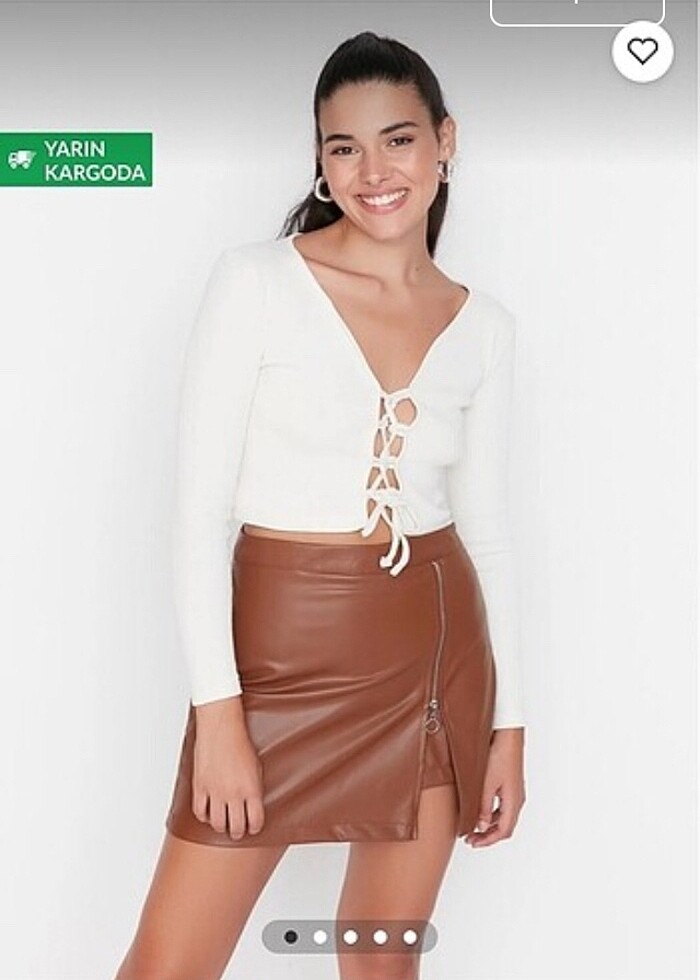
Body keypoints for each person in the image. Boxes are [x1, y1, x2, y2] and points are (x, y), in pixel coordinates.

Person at [115, 29, 526, 980]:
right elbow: (197, 516)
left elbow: (491, 537)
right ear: (321, 160)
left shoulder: (486, 328)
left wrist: (508, 727)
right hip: (276, 670)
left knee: (379, 965)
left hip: (432, 668)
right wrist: (220, 717)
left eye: (398, 140)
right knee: (167, 966)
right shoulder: (256, 281)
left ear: (445, 142)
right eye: (345, 147)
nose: (373, 172)